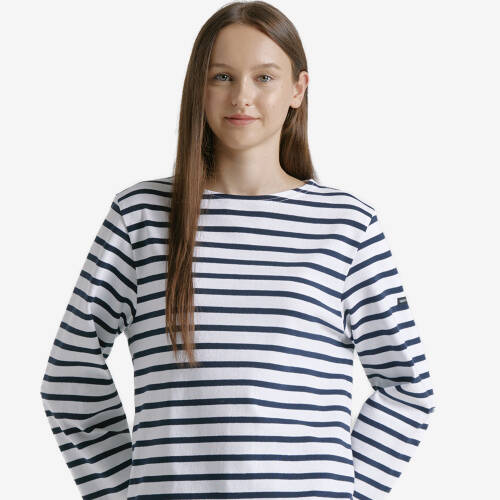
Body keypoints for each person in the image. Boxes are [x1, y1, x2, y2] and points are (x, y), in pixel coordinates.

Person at [39, 2, 437, 499]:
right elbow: (69, 378)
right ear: (198, 87)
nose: (242, 96)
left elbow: (407, 388)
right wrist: (127, 492)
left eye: (264, 77)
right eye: (222, 76)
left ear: (298, 89)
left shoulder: (347, 225)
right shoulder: (139, 216)